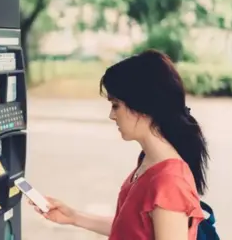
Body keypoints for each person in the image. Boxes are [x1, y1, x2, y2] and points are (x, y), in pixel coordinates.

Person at [28, 49, 209, 240]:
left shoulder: (170, 181)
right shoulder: (150, 160)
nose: (111, 115)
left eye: (116, 105)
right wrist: (74, 217)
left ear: (143, 108)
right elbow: (131, 227)